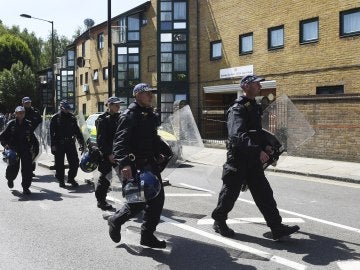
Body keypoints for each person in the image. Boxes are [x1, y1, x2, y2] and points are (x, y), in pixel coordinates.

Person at [211, 74, 300, 241]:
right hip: (238, 159)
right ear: (245, 86)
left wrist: (266, 145)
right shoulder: (237, 108)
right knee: (230, 194)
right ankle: (219, 220)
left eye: (260, 84)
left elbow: (256, 133)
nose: (260, 86)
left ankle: (276, 227)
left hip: (253, 161)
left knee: (265, 193)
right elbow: (238, 136)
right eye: (256, 83)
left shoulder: (254, 106)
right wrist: (257, 151)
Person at [107, 83, 169, 249]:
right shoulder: (129, 115)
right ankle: (115, 220)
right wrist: (125, 164)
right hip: (134, 165)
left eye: (151, 93)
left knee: (157, 200)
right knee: (138, 202)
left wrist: (159, 154)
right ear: (137, 95)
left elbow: (153, 139)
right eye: (147, 93)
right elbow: (119, 143)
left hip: (150, 164)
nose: (151, 96)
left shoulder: (149, 114)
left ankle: (147, 236)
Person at [95, 96, 123, 210]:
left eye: (119, 105)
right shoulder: (102, 119)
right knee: (106, 178)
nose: (118, 107)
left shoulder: (120, 117)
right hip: (107, 154)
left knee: (125, 177)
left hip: (119, 152)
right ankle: (101, 201)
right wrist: (108, 154)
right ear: (110, 105)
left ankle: (132, 200)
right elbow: (101, 140)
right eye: (116, 105)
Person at [0, 106, 35, 194]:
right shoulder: (11, 124)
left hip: (25, 149)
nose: (20, 114)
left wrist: (33, 148)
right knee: (13, 168)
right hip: (14, 149)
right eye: (19, 113)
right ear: (15, 113)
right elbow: (3, 137)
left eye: (22, 113)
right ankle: (10, 179)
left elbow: (33, 138)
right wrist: (6, 145)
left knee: (27, 170)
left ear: (24, 114)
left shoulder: (29, 124)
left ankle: (26, 187)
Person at [50, 100, 85, 188]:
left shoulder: (72, 117)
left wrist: (81, 142)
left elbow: (77, 131)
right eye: (66, 109)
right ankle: (61, 180)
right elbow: (51, 133)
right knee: (59, 164)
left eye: (68, 109)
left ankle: (71, 178)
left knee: (75, 162)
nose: (67, 110)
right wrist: (53, 145)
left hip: (70, 143)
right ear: (61, 108)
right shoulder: (55, 118)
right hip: (59, 143)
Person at [22, 97, 42, 176]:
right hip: (22, 135)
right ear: (22, 103)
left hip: (32, 134)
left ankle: (31, 168)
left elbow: (40, 122)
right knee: (25, 154)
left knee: (36, 150)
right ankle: (27, 170)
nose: (28, 104)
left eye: (29, 102)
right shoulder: (20, 111)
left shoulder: (35, 111)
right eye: (26, 103)